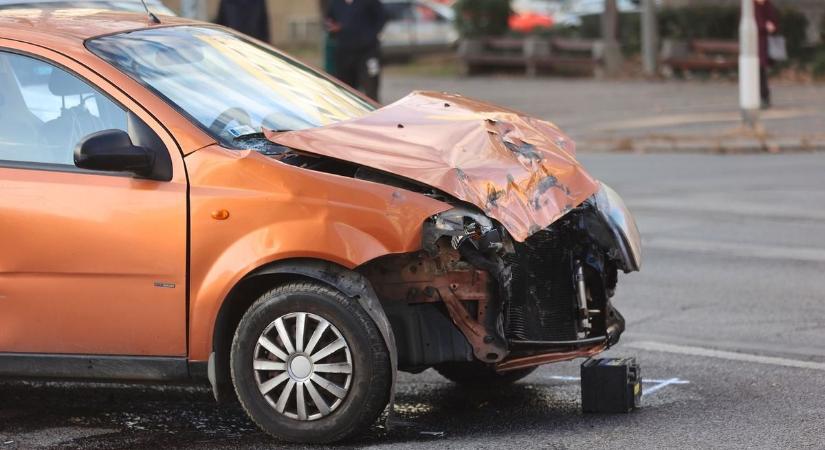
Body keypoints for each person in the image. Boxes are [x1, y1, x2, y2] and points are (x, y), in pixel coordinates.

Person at [325, 0, 387, 101]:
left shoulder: (371, 2)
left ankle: (373, 113)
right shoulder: (336, 3)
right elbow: (329, 20)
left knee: (370, 87)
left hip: (368, 52)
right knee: (346, 90)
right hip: (344, 52)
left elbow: (382, 18)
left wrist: (370, 36)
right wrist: (331, 27)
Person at [754, 0, 780, 109]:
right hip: (755, 45)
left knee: (762, 72)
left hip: (765, 45)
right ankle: (761, 97)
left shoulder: (768, 5)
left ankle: (764, 98)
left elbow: (774, 22)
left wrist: (771, 26)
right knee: (758, 72)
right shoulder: (751, 6)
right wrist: (765, 27)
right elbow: (755, 24)